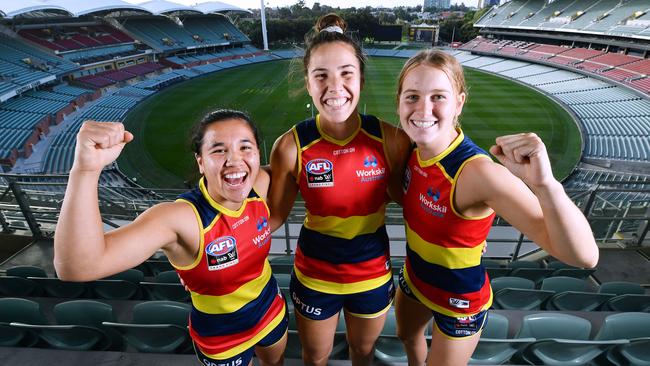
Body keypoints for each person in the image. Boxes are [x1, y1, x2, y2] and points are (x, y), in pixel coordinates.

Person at [393, 49, 599, 365]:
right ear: (399, 102)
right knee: (407, 336)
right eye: (412, 97)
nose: (423, 108)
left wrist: (545, 185)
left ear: (459, 102)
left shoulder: (479, 173)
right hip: (415, 278)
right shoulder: (409, 150)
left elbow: (583, 256)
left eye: (438, 96)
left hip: (460, 302)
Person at [54, 109, 288, 366]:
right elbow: (77, 266)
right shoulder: (179, 218)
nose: (235, 160)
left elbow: (304, 161)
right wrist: (85, 170)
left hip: (270, 308)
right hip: (222, 335)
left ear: (257, 154)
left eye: (246, 147)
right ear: (200, 161)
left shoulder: (261, 182)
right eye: (219, 150)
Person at [267, 13, 411, 366]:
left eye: (347, 73)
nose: (335, 88)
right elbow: (270, 220)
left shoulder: (390, 139)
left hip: (372, 271)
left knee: (363, 352)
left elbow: (416, 202)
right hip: (314, 275)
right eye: (322, 76)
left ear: (360, 77)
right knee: (315, 357)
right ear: (307, 81)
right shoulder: (291, 146)